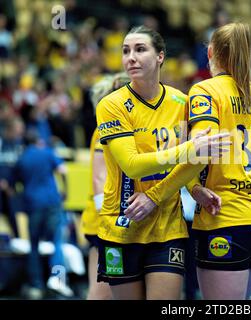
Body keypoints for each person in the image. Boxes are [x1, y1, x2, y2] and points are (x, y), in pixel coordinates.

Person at [131, 22, 251, 300]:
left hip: (225, 219)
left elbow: (199, 149)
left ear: (210, 53)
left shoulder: (205, 91)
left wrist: (190, 189)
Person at [95, 25, 230, 300]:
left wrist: (194, 188)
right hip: (122, 225)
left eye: (140, 49)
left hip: (168, 226)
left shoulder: (182, 102)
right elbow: (132, 165)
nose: (131, 57)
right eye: (125, 51)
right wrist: (189, 149)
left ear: (160, 57)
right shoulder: (111, 105)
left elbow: (191, 161)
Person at [80, 72, 130, 300]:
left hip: (107, 221)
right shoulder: (105, 129)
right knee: (104, 293)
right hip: (105, 223)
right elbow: (99, 178)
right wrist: (109, 219)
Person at [14, 129, 73, 299]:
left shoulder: (22, 159)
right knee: (57, 241)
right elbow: (63, 171)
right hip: (51, 201)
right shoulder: (47, 153)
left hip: (32, 204)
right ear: (38, 141)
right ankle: (58, 279)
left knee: (33, 245)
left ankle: (36, 285)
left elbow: (15, 184)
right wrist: (65, 190)